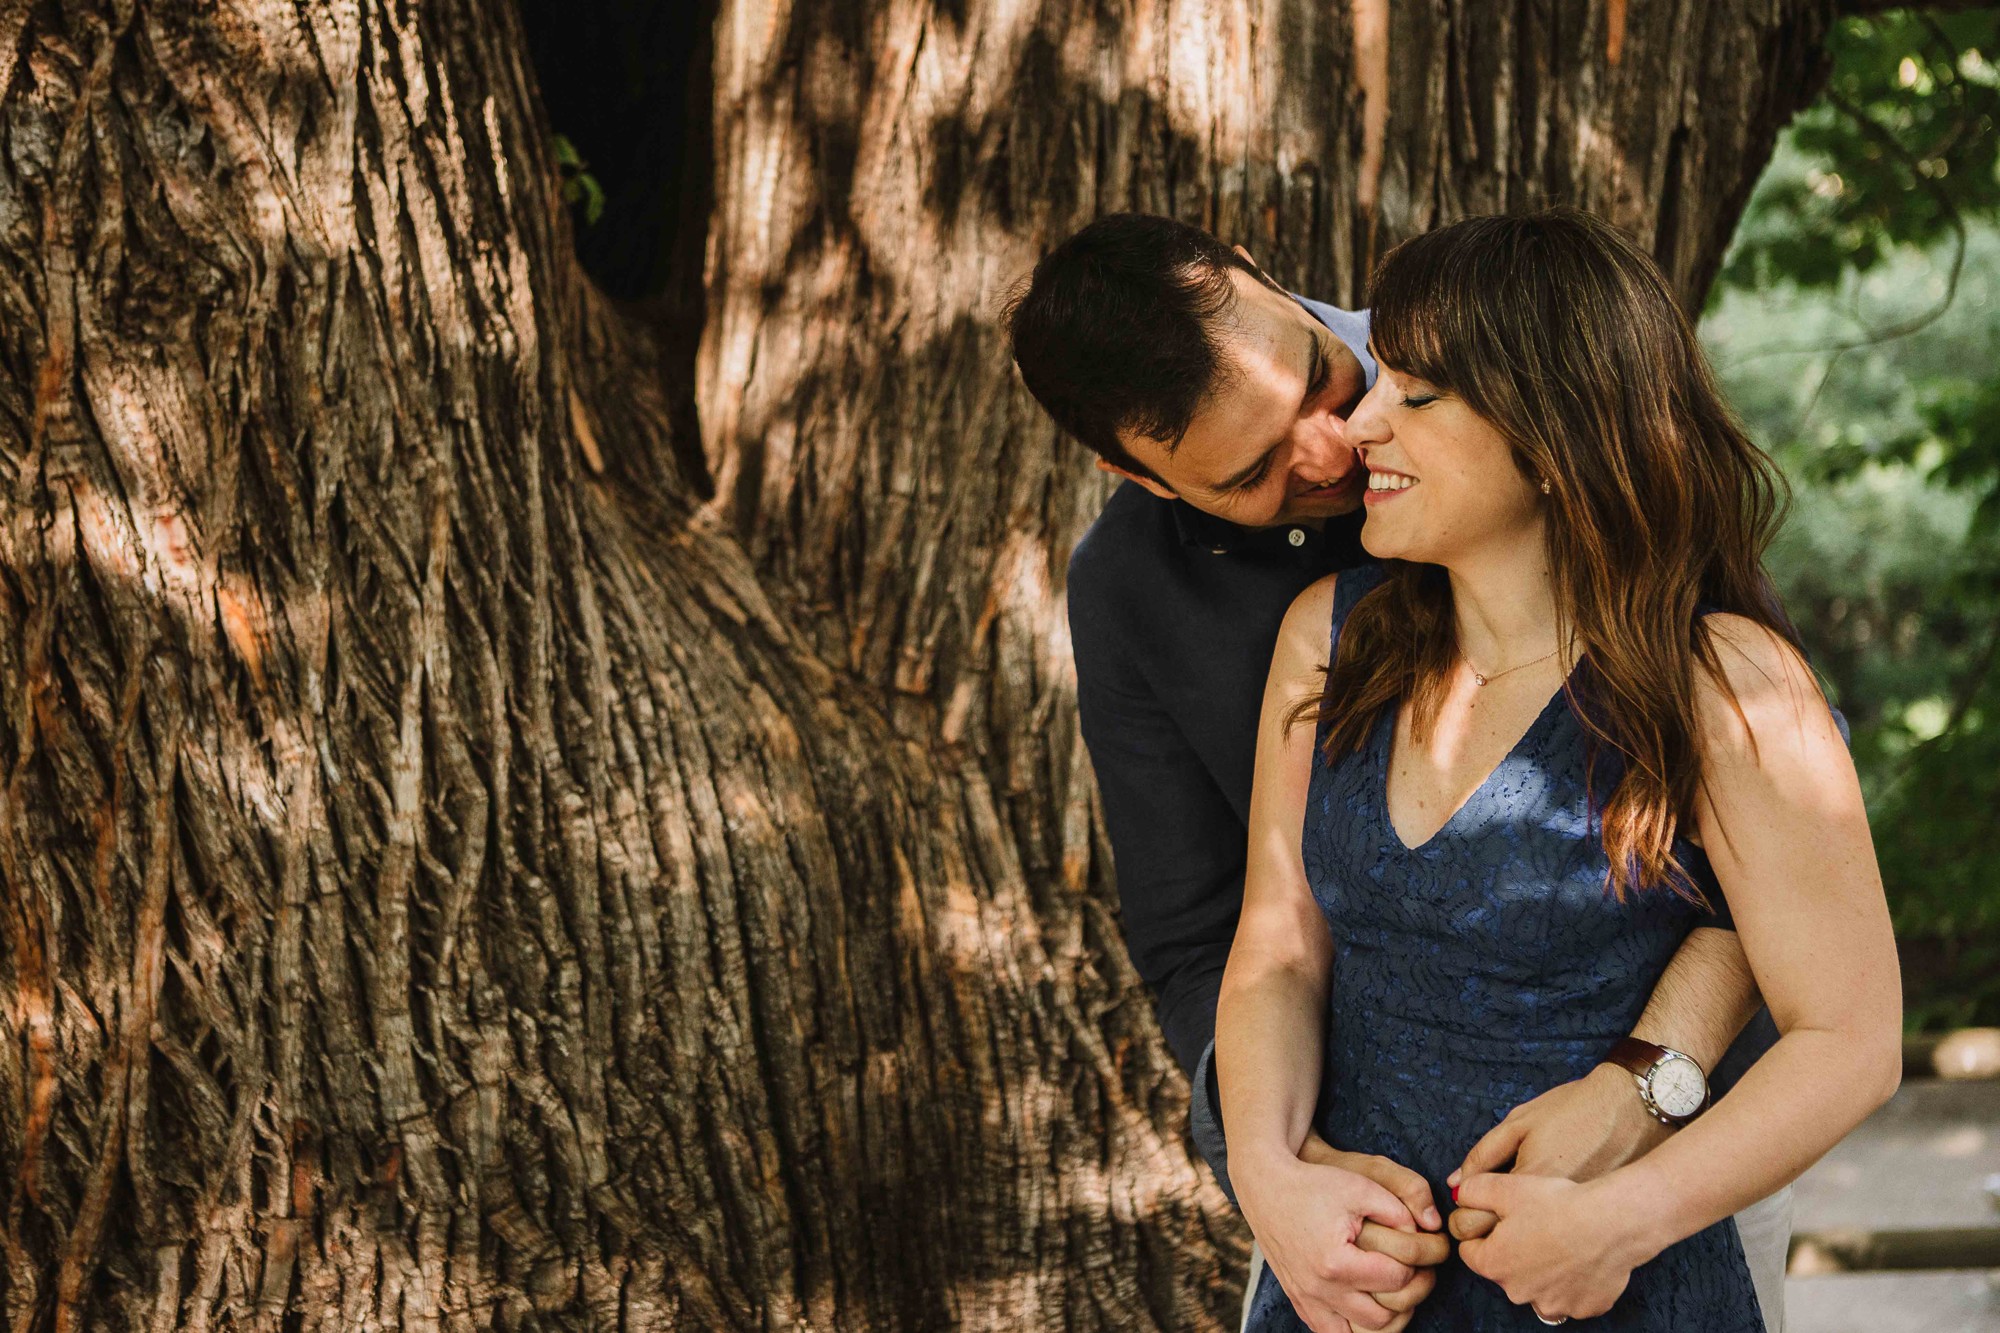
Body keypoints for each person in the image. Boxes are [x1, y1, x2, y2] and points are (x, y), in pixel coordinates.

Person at [1006, 213, 1793, 1332]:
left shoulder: (1502, 350)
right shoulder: (1134, 592)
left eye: (1325, 385)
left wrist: (1645, 1088)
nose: (1336, 452)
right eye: (1251, 471)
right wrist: (1275, 1177)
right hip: (1366, 1203)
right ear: (1136, 475)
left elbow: (1762, 825)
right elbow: (1209, 936)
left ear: (1258, 274)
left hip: (1675, 1132)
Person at [1217, 208, 1901, 1331]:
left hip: (1601, 1286)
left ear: (1553, 432)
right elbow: (1279, 947)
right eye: (1376, 378)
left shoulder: (1721, 681)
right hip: (1347, 1286)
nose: (1361, 425)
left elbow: (1850, 1038)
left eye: (1416, 395)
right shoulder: (1328, 637)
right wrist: (1268, 1178)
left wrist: (1624, 1217)